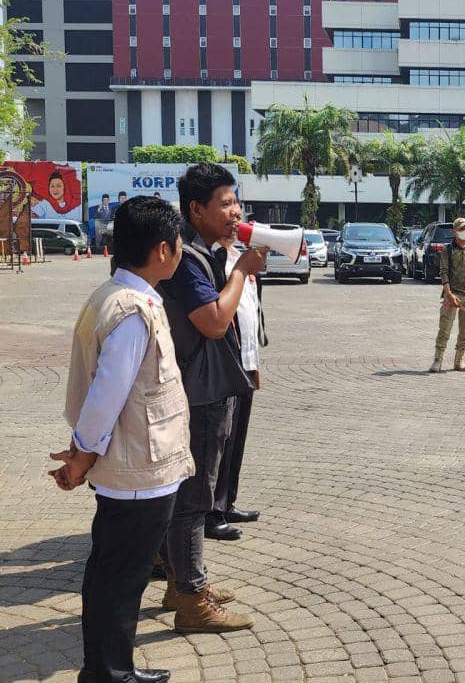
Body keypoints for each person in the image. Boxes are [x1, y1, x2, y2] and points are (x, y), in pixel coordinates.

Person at [51, 196, 195, 683]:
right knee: (121, 577)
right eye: (178, 245)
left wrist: (82, 454)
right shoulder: (134, 311)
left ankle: (108, 667)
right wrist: (81, 458)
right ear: (161, 249)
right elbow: (105, 397)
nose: (180, 252)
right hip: (137, 470)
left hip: (130, 464)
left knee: (111, 572)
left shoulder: (110, 295)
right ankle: (109, 673)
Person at [156, 163, 263, 632]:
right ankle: (192, 600)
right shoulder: (187, 258)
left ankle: (181, 583)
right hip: (197, 391)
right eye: (225, 203)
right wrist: (241, 269)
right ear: (196, 209)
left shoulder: (200, 249)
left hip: (203, 386)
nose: (235, 211)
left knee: (187, 493)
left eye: (235, 201)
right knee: (195, 496)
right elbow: (215, 321)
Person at [206, 223, 267, 540]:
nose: (235, 221)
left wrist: (254, 361)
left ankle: (227, 501)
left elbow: (250, 310)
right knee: (221, 437)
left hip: (246, 358)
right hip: (228, 359)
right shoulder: (215, 257)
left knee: (237, 435)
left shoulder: (241, 256)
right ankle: (211, 512)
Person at [429, 217, 465, 373]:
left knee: (464, 332)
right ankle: (437, 360)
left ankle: (458, 361)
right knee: (444, 329)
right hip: (451, 295)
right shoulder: (447, 250)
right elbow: (444, 273)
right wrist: (449, 294)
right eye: (461, 229)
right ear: (454, 231)